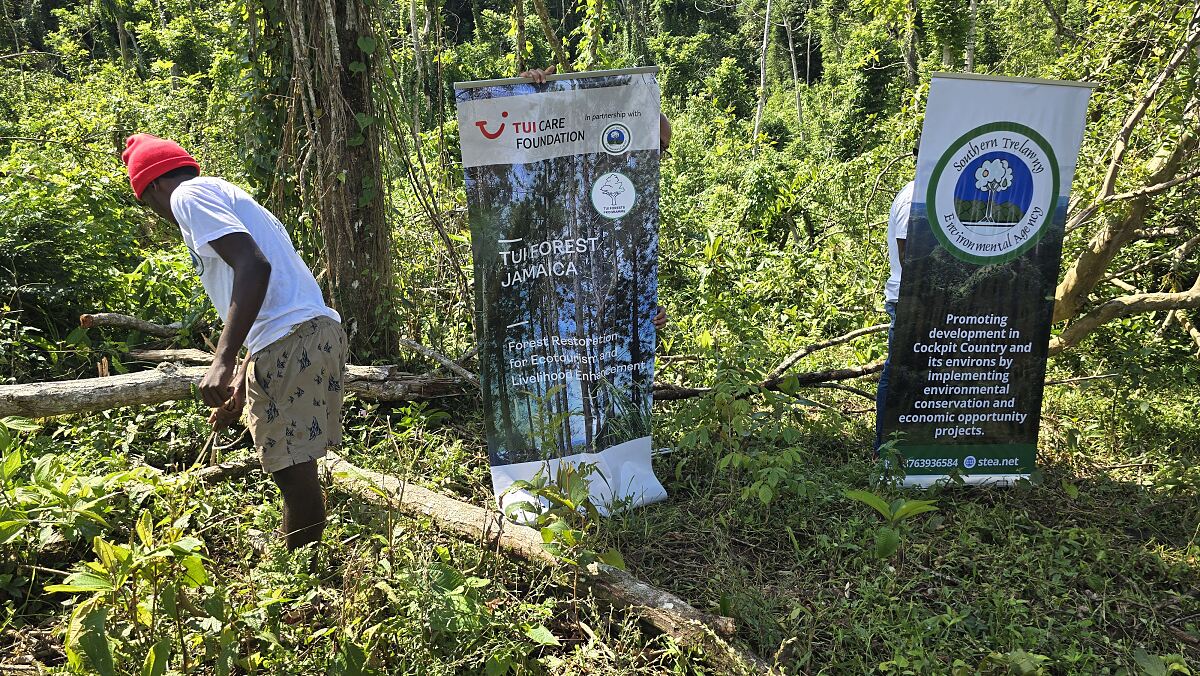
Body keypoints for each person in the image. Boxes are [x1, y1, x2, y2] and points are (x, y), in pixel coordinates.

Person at [122, 134, 345, 551]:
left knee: (291, 472)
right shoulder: (220, 193)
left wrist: (222, 361)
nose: (157, 215)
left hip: (291, 341)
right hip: (309, 333)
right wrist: (244, 376)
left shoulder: (188, 197)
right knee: (296, 465)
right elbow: (273, 297)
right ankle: (300, 568)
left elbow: (254, 267)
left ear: (152, 187)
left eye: (147, 205)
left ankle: (294, 585)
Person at [518, 65, 670, 330]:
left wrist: (650, 309)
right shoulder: (583, 164)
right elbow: (529, 155)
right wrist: (527, 93)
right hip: (554, 317)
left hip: (605, 333)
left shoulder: (640, 200)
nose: (655, 154)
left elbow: (631, 270)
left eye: (662, 149)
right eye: (653, 142)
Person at [875, 142, 917, 452]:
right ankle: (885, 449)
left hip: (923, 299)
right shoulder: (914, 196)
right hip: (909, 301)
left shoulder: (934, 195)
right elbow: (907, 255)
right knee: (899, 372)